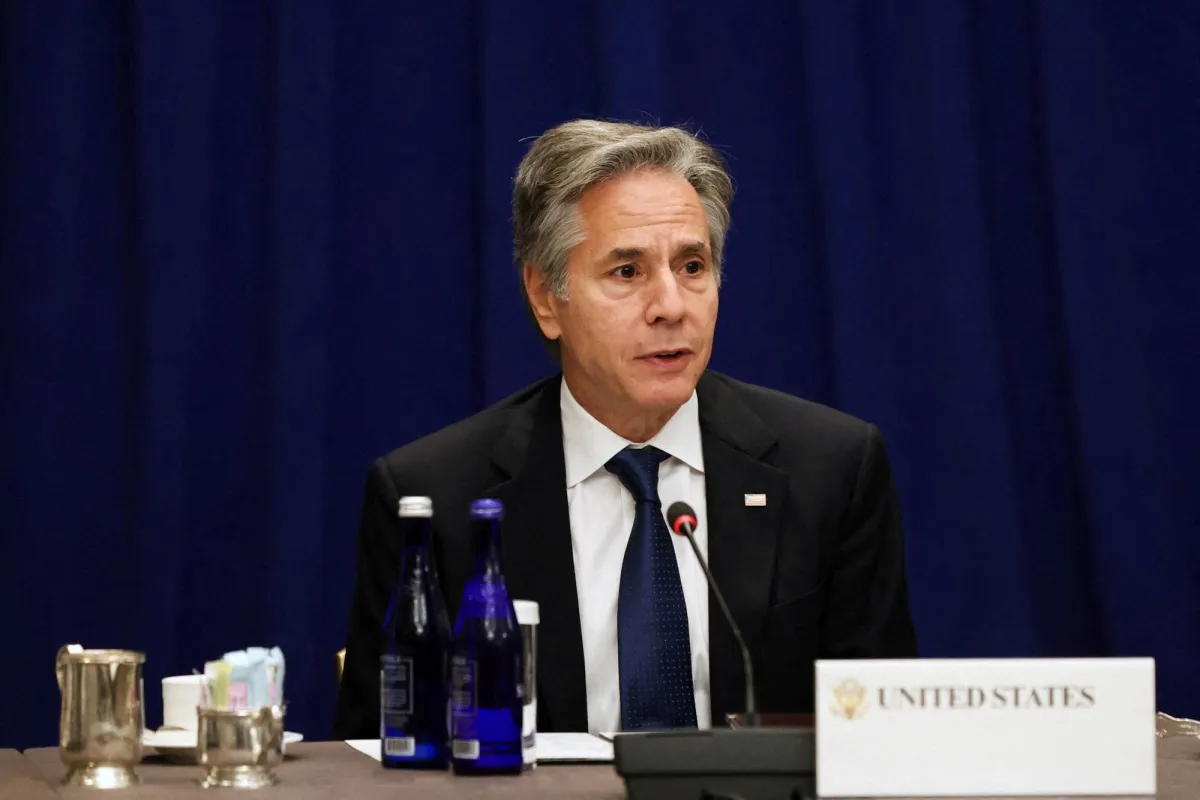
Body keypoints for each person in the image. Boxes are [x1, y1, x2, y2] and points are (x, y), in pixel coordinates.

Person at [333, 119, 918, 739]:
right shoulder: (436, 497)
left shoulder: (829, 470)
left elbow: (885, 741)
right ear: (545, 297)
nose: (671, 306)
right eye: (627, 272)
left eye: (692, 266)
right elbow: (377, 756)